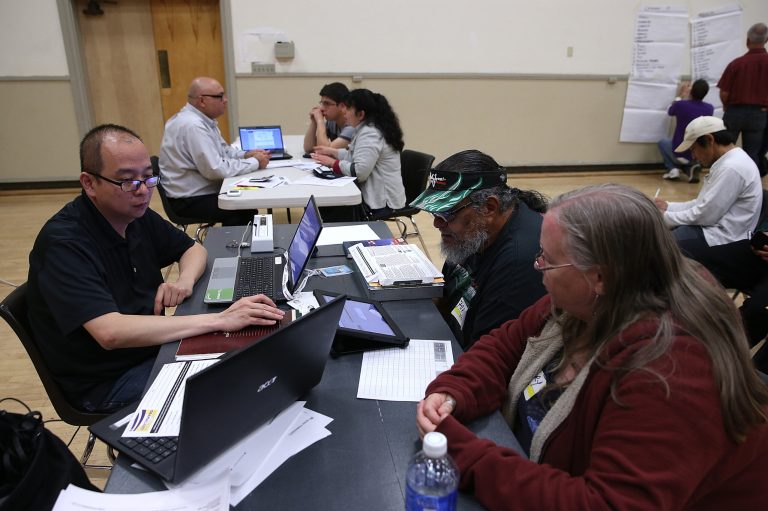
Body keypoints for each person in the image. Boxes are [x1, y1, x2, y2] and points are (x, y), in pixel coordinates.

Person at [416, 183, 768, 509]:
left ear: (599, 275)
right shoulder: (597, 295)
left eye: (548, 259)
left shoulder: (669, 371)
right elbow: (505, 344)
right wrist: (454, 391)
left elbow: (602, 503)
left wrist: (465, 454)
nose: (537, 266)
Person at [27, 124, 285, 413]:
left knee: (256, 352)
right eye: (127, 181)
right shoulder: (64, 243)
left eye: (148, 179)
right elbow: (110, 332)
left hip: (153, 348)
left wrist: (184, 282)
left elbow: (193, 248)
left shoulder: (133, 214)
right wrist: (219, 321)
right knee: (241, 381)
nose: (142, 191)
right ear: (89, 183)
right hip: (108, 379)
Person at [409, 150, 547, 349]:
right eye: (434, 213)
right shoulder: (473, 234)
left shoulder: (518, 264)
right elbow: (445, 297)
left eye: (446, 213)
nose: (437, 224)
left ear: (489, 208)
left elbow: (488, 354)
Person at [159, 76, 270, 225]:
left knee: (245, 200)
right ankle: (233, 247)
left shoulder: (203, 121)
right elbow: (215, 170)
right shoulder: (193, 126)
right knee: (243, 209)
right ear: (202, 101)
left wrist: (246, 154)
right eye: (220, 96)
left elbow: (224, 151)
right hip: (188, 200)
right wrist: (255, 162)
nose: (225, 100)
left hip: (196, 191)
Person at [654, 116, 762, 262]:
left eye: (694, 149)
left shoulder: (732, 167)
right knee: (660, 235)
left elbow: (705, 215)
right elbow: (702, 204)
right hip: (713, 230)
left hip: (722, 239)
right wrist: (668, 207)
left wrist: (663, 217)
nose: (693, 156)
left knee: (659, 245)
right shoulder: (729, 161)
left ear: (709, 140)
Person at [311, 88, 405, 220]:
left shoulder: (370, 133)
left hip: (382, 203)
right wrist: (333, 152)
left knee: (325, 209)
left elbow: (359, 172)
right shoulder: (367, 128)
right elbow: (355, 155)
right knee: (323, 206)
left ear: (360, 114)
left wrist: (332, 163)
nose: (344, 111)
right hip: (376, 196)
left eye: (348, 108)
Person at [718, 22, 768, 176]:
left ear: (747, 41)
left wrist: (727, 107)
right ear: (766, 41)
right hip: (759, 114)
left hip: (735, 112)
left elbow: (724, 92)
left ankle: (721, 180)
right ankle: (750, 187)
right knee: (752, 154)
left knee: (724, 149)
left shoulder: (736, 64)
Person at [658, 79, 714, 182]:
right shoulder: (709, 108)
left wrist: (681, 95)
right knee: (689, 157)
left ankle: (673, 168)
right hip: (697, 153)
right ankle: (691, 168)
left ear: (691, 91)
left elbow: (670, 110)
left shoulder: (681, 105)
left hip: (679, 151)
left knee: (663, 143)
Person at [303, 82, 356, 153]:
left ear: (342, 106)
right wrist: (314, 122)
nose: (322, 108)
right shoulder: (332, 122)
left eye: (327, 104)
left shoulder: (352, 126)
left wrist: (320, 121)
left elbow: (325, 150)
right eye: (322, 103)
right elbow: (309, 148)